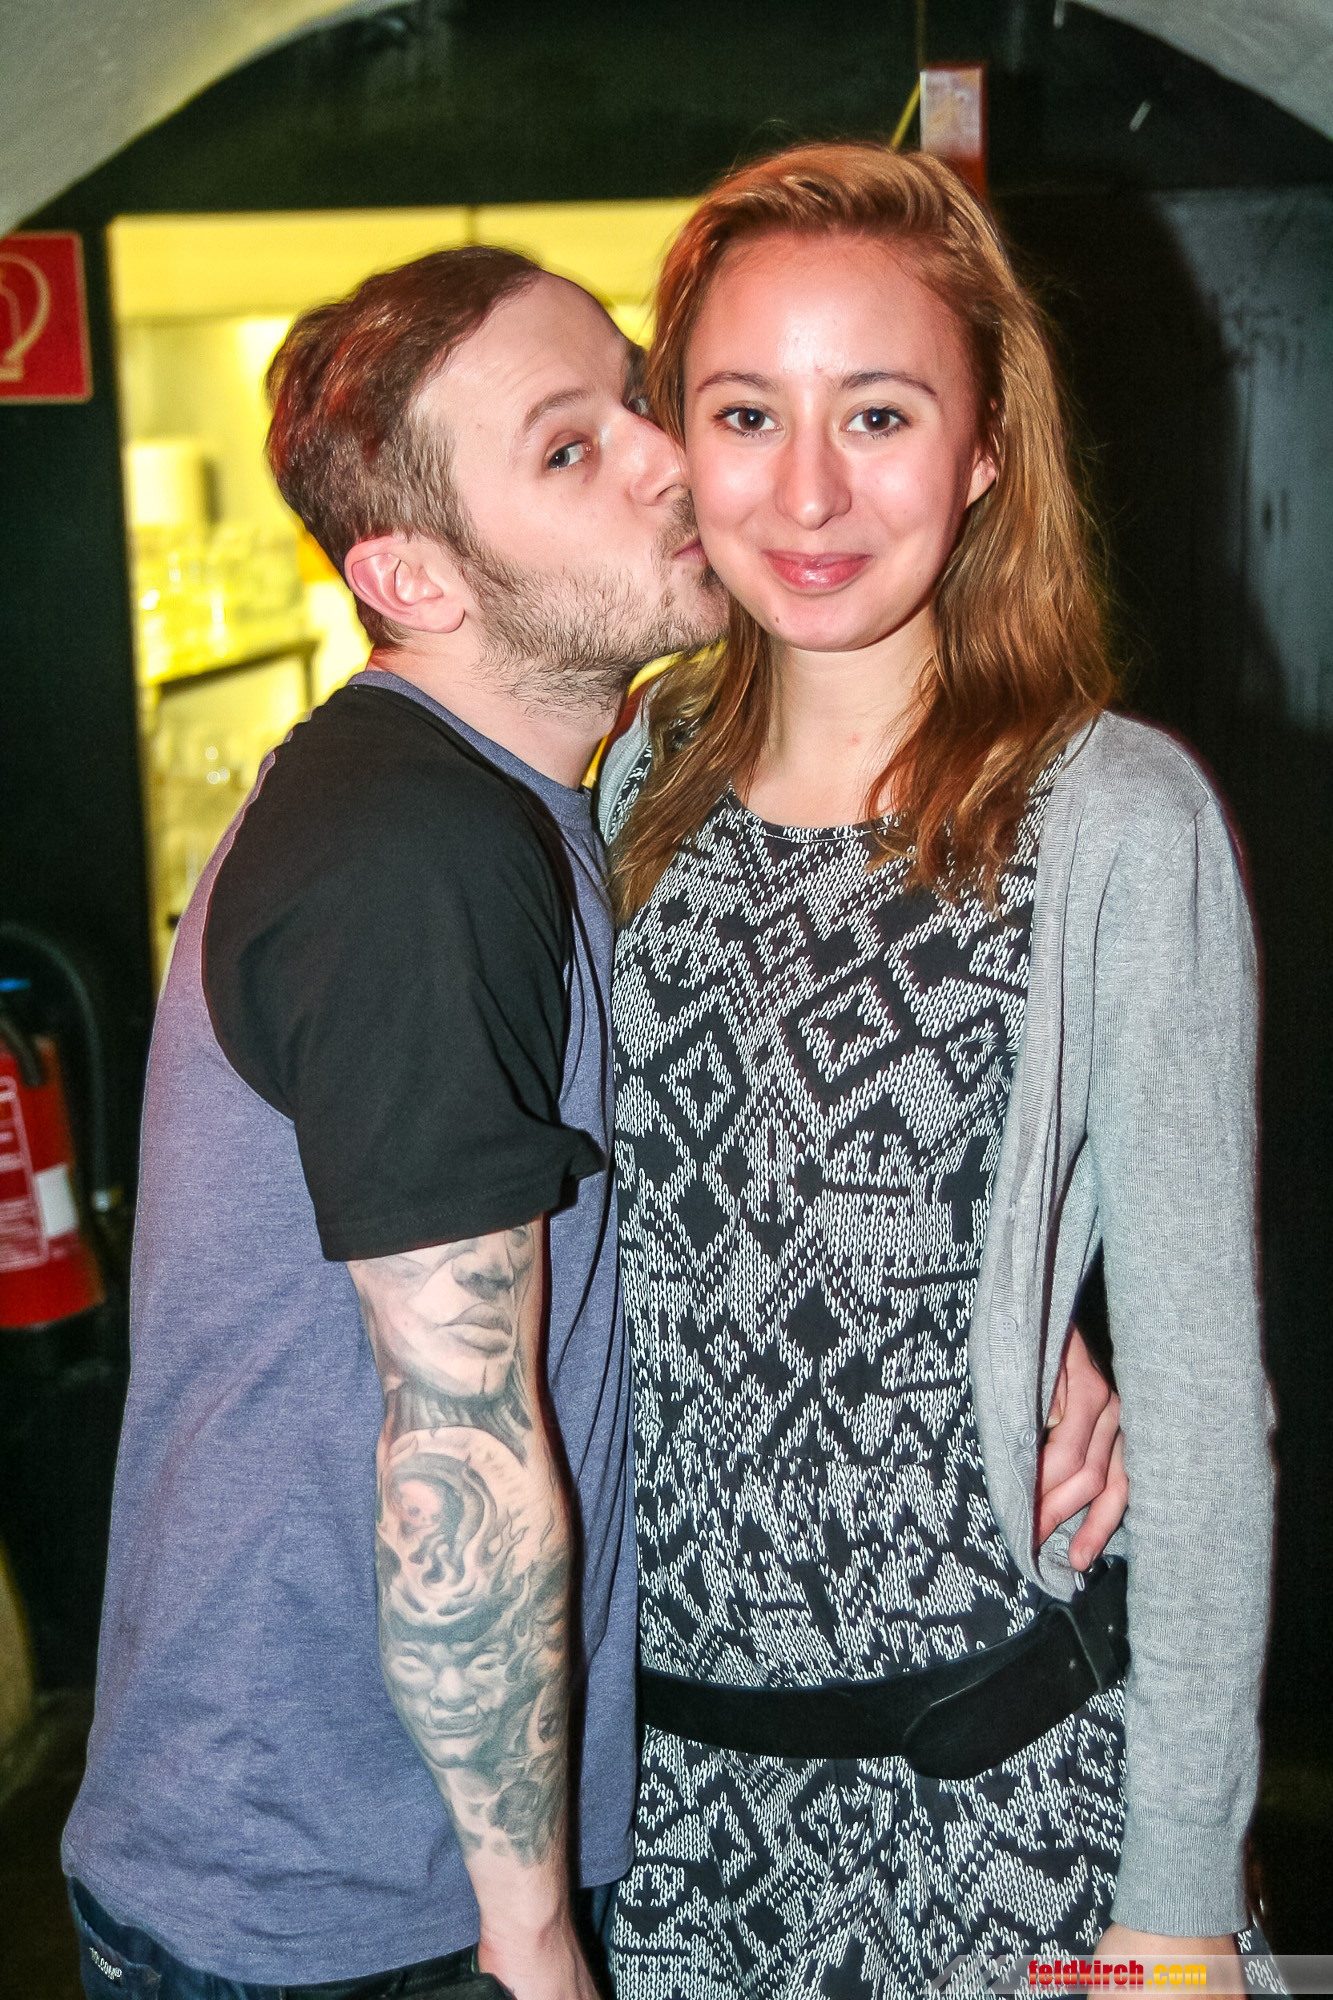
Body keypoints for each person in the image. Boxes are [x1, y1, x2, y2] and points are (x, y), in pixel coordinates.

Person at [63, 240, 1126, 2000]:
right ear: (411, 576)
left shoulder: (553, 803)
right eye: (569, 449)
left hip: (395, 1871)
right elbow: (454, 1451)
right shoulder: (416, 851)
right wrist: (535, 1938)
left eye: (636, 399)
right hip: (346, 1904)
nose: (663, 457)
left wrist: (1014, 1329)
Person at [598, 143, 1274, 1997]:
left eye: (879, 414)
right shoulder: (626, 784)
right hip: (667, 1833)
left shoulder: (1110, 818)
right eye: (746, 413)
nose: (807, 489)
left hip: (1004, 1817)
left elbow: (1201, 1419)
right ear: (679, 441)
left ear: (983, 449)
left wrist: (1175, 1905)